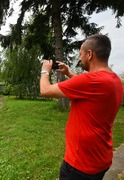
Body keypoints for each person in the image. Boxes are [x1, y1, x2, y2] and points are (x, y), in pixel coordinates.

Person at [40, 34, 123, 180]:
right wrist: (69, 74)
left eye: (81, 54)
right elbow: (90, 90)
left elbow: (45, 90)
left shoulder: (89, 81)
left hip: (80, 164)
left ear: (90, 54)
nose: (79, 58)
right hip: (101, 158)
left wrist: (45, 70)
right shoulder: (114, 80)